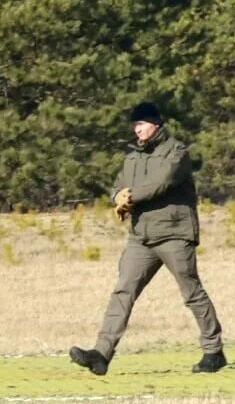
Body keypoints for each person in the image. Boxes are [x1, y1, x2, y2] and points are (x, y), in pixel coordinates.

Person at [70, 101, 225, 376]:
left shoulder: (176, 152)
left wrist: (130, 197)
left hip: (174, 234)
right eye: (134, 125)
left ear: (156, 123)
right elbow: (119, 185)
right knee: (122, 292)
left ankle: (213, 351)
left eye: (141, 124)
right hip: (141, 236)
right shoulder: (132, 157)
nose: (136, 129)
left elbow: (162, 182)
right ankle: (101, 354)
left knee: (191, 293)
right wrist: (116, 196)